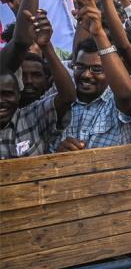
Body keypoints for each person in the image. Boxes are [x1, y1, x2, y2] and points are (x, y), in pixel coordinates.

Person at [52, 0, 131, 152]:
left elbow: (126, 93)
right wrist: (59, 153)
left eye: (97, 69)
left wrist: (98, 32)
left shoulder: (117, 102)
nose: (86, 75)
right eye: (80, 67)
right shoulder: (60, 101)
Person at [1, 11, 75, 159]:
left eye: (7, 94)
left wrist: (46, 46)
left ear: (18, 94)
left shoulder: (31, 116)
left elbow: (67, 97)